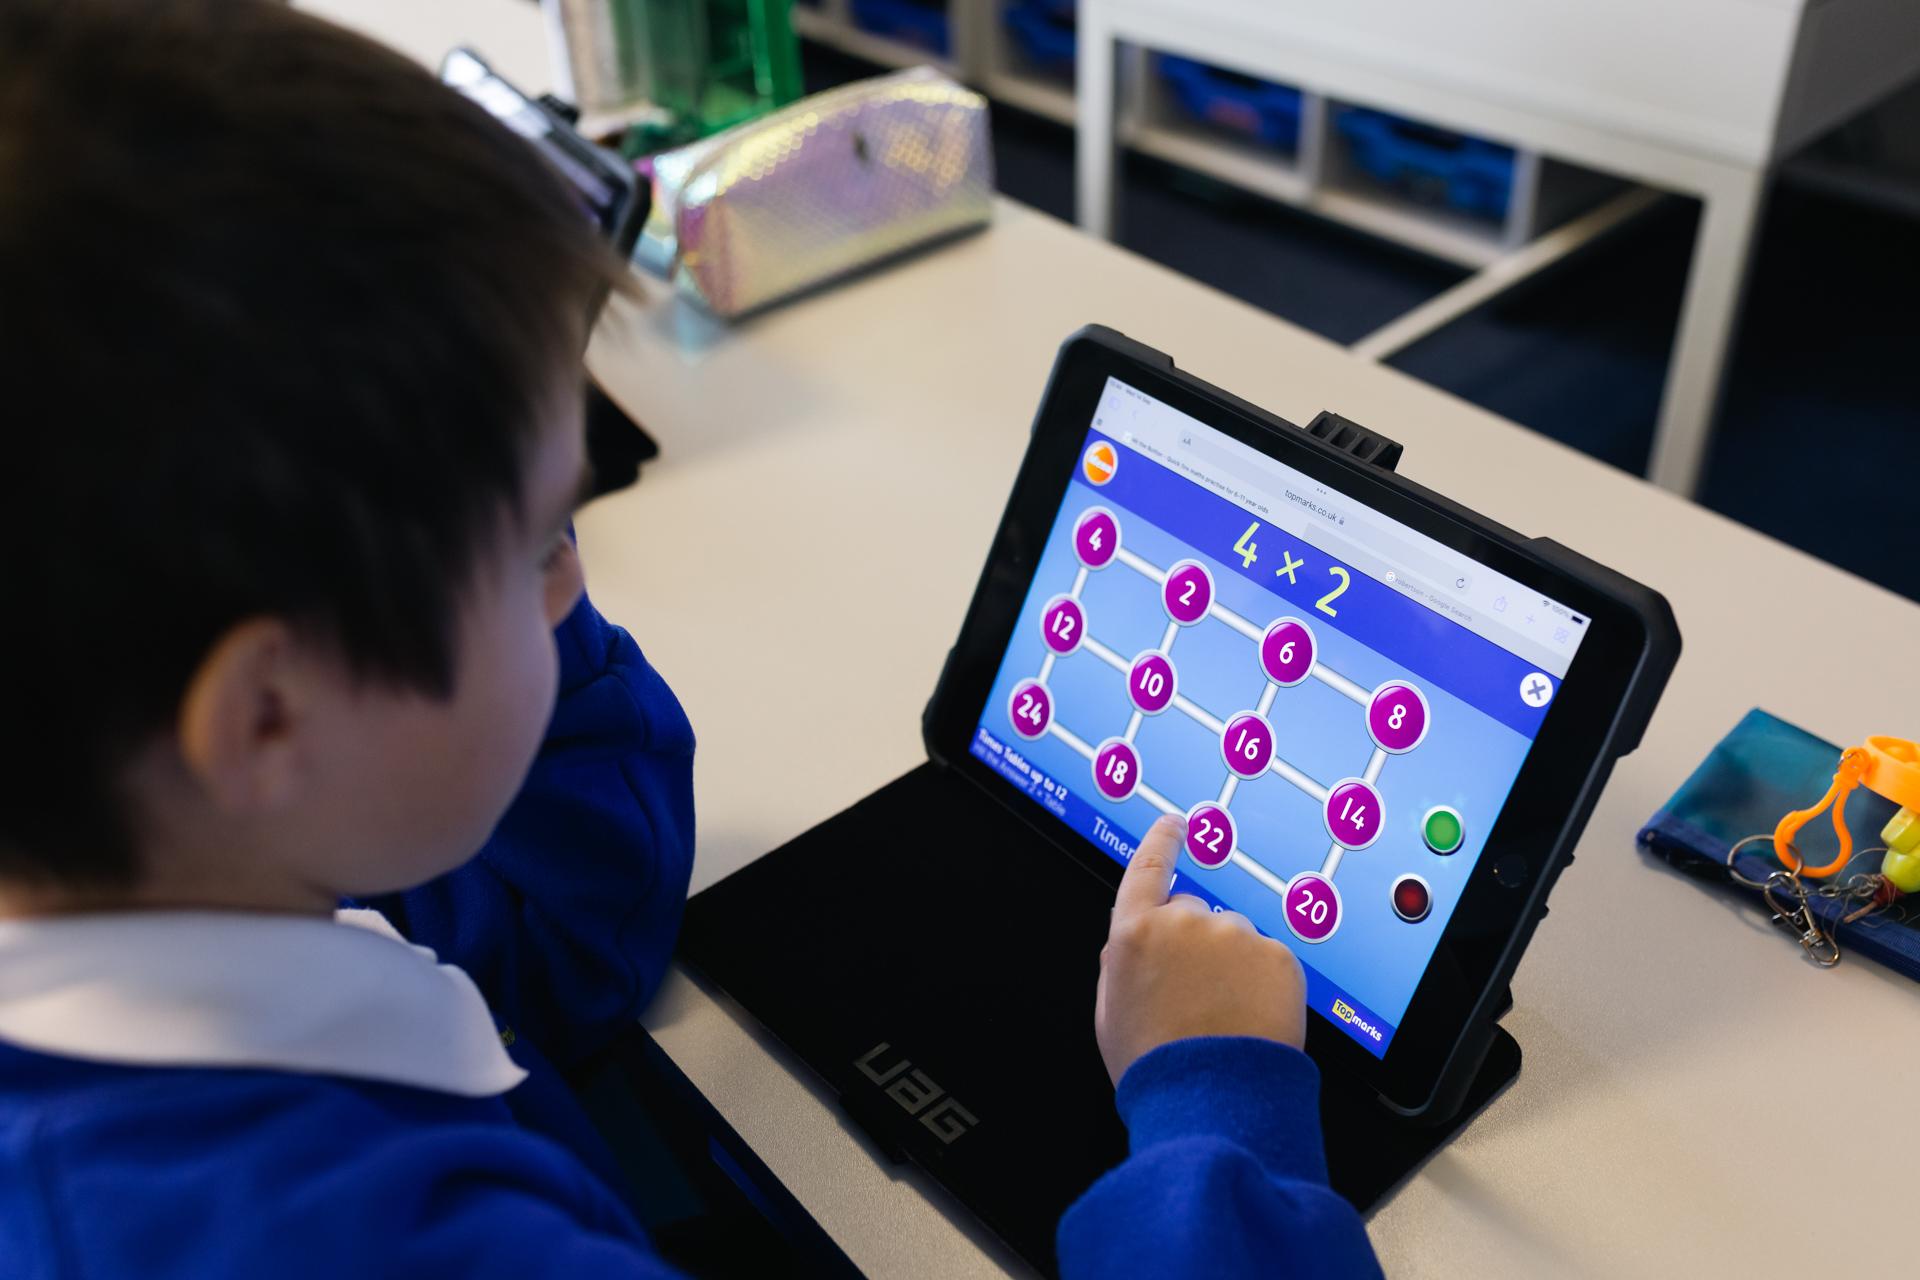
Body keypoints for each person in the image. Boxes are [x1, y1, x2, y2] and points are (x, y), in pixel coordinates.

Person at [0, 2, 1381, 1276]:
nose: (575, 588)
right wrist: (1219, 1097)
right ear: (266, 717)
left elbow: (559, 954)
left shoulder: (175, 868)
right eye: (539, 547)